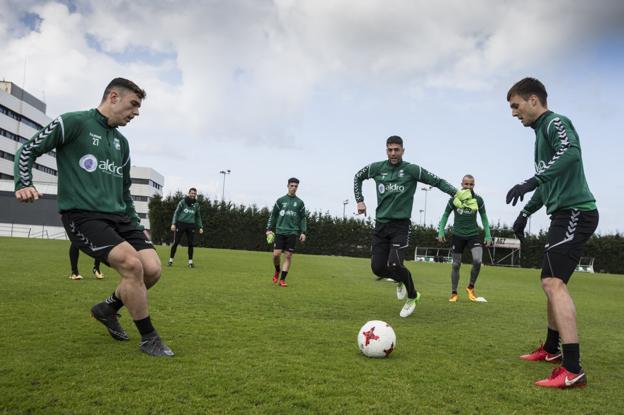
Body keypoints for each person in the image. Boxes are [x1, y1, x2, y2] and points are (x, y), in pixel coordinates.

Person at [14, 77, 173, 357]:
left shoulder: (121, 143)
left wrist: (137, 226)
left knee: (152, 269)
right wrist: (23, 182)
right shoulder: (73, 122)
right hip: (84, 216)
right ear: (113, 97)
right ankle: (149, 338)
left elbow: (124, 192)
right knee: (131, 265)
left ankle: (107, 308)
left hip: (120, 218)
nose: (136, 112)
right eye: (133, 104)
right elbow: (28, 149)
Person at [506, 77, 598, 388]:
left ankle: (573, 369)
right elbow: (548, 183)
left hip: (576, 212)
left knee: (552, 281)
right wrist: (524, 213)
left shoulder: (554, 122)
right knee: (550, 281)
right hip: (562, 213)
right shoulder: (539, 137)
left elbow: (571, 150)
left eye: (516, 106)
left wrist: (532, 180)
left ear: (534, 100)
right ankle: (550, 349)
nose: (514, 113)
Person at [354, 135, 457, 318]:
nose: (393, 153)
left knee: (394, 263)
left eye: (396, 149)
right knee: (377, 268)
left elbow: (437, 181)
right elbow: (358, 177)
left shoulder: (412, 170)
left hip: (401, 226)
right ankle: (399, 280)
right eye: (390, 149)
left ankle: (413, 296)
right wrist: (359, 201)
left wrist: (456, 193)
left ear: (403, 150)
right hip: (381, 226)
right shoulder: (377, 168)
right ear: (386, 150)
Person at [436, 175, 492, 302]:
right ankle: (454, 293)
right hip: (458, 235)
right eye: (466, 184)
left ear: (474, 185)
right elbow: (445, 215)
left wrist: (488, 234)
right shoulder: (454, 199)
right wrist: (441, 231)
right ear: (461, 184)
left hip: (473, 235)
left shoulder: (478, 200)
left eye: (471, 184)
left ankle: (470, 287)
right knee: (456, 264)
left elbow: (484, 217)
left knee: (477, 261)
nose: (468, 186)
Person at [265, 178, 307, 287]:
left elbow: (303, 218)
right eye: (292, 185)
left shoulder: (300, 203)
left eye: (296, 186)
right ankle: (277, 270)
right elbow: (273, 215)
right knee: (276, 255)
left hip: (292, 232)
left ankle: (282, 280)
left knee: (288, 256)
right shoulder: (280, 201)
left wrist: (303, 232)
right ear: (288, 186)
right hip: (280, 231)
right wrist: (269, 229)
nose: (294, 188)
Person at [168, 187, 204, 268]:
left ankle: (190, 263)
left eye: (194, 193)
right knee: (176, 242)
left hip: (191, 225)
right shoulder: (182, 202)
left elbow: (198, 217)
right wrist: (173, 223)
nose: (193, 195)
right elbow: (176, 213)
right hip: (181, 224)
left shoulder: (197, 205)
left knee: (191, 244)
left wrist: (200, 227)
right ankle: (170, 260)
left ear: (196, 195)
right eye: (192, 193)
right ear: (189, 193)